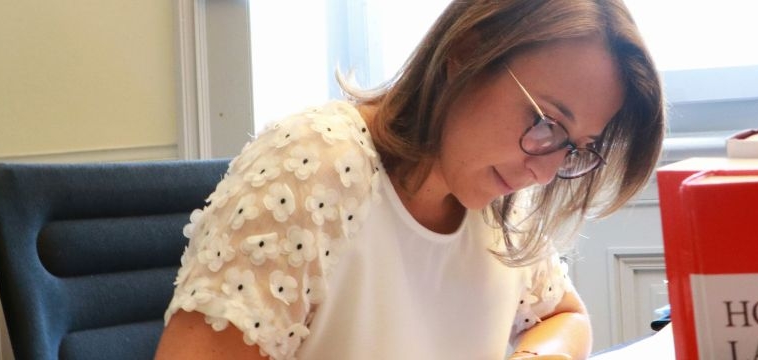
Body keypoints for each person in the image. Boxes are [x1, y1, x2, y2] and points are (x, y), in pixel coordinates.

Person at [153, 0, 664, 359]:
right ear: (466, 53)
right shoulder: (316, 164)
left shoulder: (497, 198)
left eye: (575, 146)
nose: (547, 169)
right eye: (547, 122)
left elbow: (567, 317)